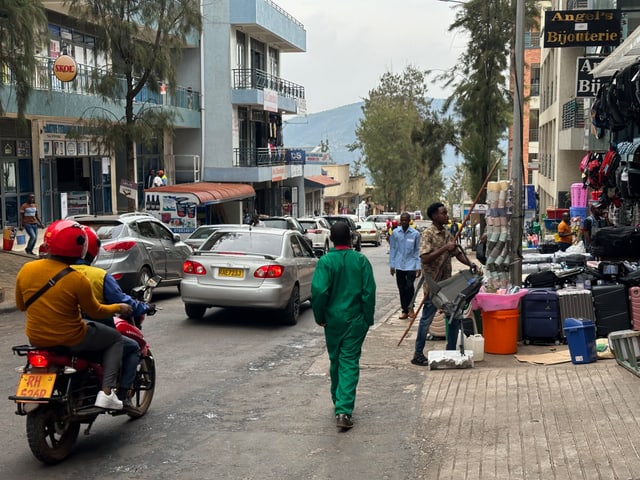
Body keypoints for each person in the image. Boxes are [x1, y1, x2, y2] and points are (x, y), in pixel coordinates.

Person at [15, 220, 133, 410]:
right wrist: (118, 307)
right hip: (72, 338)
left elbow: (21, 305)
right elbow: (95, 311)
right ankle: (108, 393)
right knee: (115, 339)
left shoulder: (26, 269)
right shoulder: (77, 279)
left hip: (36, 339)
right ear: (82, 247)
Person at [72, 225, 152, 410]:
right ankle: (119, 395)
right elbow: (115, 303)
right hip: (87, 332)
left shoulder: (51, 273)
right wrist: (142, 307)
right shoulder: (96, 276)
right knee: (130, 347)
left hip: (49, 333)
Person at [311, 222, 376, 430]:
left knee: (336, 359)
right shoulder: (361, 261)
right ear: (350, 239)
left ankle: (338, 400)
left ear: (332, 238)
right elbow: (369, 293)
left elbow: (319, 292)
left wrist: (319, 316)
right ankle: (343, 409)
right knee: (349, 361)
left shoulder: (326, 262)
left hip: (332, 320)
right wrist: (367, 318)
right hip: (356, 319)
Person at [412, 202, 476, 366]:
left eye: (446, 213)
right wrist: (444, 249)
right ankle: (418, 354)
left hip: (448, 286)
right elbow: (425, 257)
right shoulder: (428, 234)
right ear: (434, 216)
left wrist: (470, 264)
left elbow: (456, 252)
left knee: (454, 317)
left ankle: (451, 352)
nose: (446, 216)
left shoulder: (447, 234)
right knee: (426, 319)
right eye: (443, 213)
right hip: (434, 286)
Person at [389, 212, 421, 319]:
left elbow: (417, 251)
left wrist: (418, 266)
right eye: (402, 220)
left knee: (409, 287)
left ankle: (411, 307)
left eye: (406, 220)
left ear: (409, 221)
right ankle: (404, 310)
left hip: (411, 264)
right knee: (401, 288)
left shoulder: (415, 234)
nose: (404, 222)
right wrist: (392, 265)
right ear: (400, 221)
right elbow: (393, 249)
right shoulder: (395, 233)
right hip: (399, 265)